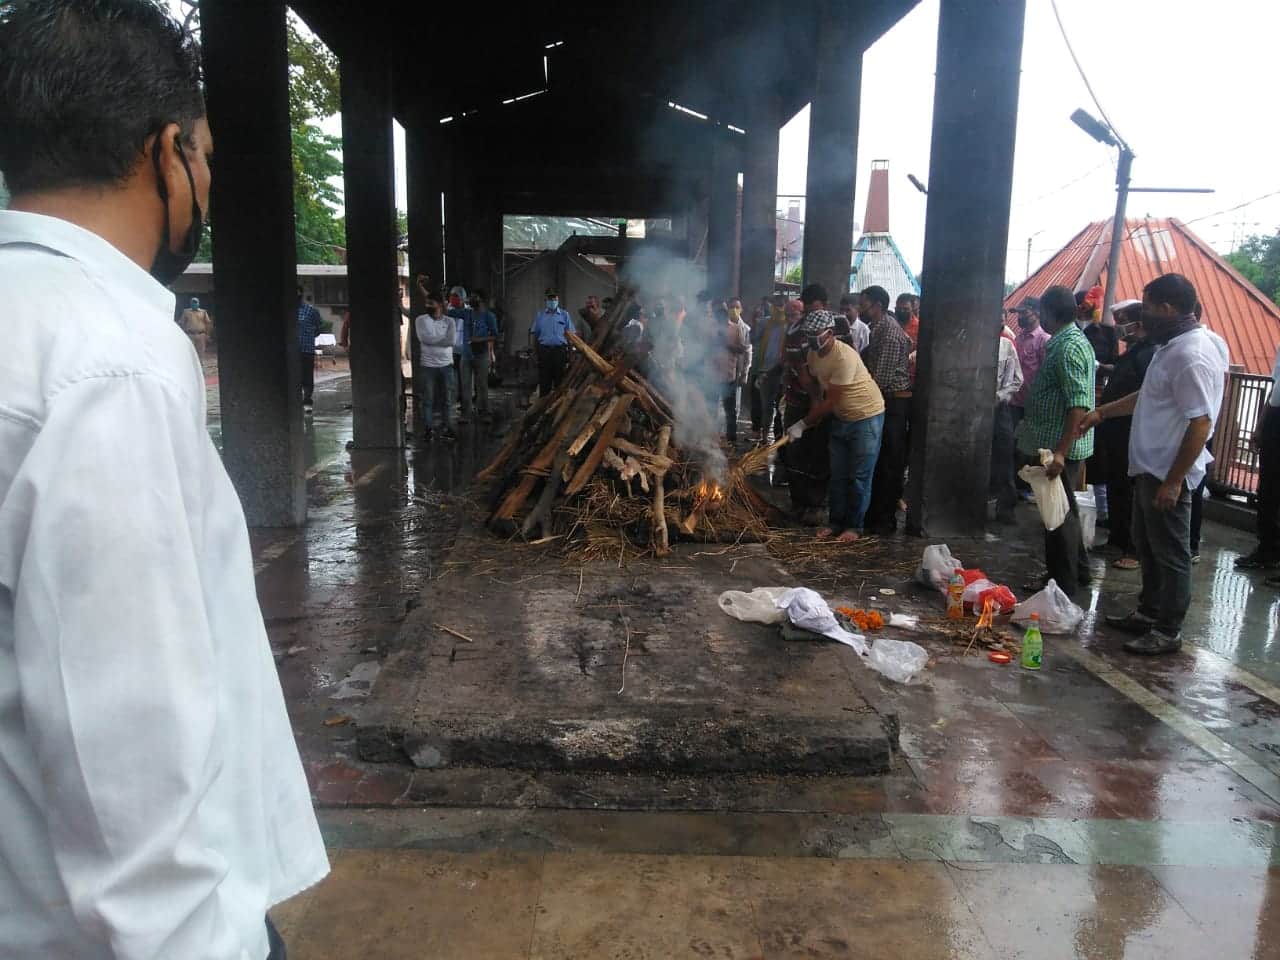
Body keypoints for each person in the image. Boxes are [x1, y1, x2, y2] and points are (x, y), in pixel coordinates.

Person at [0, 3, 328, 958]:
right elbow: (126, 745)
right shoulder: (109, 358)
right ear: (167, 150)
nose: (209, 184)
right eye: (210, 157)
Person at [1081, 274, 1228, 655]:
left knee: (1171, 554)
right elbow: (1147, 396)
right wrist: (1103, 413)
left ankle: (1167, 629)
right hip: (1149, 468)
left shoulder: (1190, 354)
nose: (1142, 315)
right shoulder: (1170, 346)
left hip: (1167, 472)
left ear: (1167, 308)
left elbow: (1201, 422)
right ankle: (1148, 611)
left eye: (1147, 307)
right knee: (1147, 546)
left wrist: (1174, 480)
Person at [1013, 285, 1095, 594]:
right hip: (1054, 442)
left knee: (1055, 516)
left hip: (1056, 448)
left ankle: (1061, 583)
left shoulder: (1067, 346)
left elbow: (1078, 403)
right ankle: (1079, 572)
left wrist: (1060, 453)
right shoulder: (1066, 341)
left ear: (1048, 312)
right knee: (1066, 510)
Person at [787, 311, 885, 542]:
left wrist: (803, 423)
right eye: (808, 333)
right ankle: (835, 522)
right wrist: (814, 402)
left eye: (816, 334)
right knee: (838, 475)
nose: (811, 338)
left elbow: (832, 401)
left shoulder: (844, 357)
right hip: (841, 418)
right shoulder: (813, 354)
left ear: (830, 334)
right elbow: (812, 383)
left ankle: (854, 527)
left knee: (859, 476)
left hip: (866, 418)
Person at [1097, 299, 1157, 571]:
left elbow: (1145, 394)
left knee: (1129, 490)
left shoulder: (1149, 353)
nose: (1120, 329)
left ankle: (1133, 548)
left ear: (1139, 323)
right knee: (1116, 485)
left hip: (1131, 430)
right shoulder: (1132, 351)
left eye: (1124, 322)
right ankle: (1117, 537)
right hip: (1115, 429)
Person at [859, 285, 914, 534]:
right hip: (883, 400)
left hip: (892, 402)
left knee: (889, 462)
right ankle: (875, 514)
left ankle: (884, 519)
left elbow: (879, 378)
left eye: (865, 304)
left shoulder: (889, 333)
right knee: (880, 461)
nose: (862, 309)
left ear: (878, 305)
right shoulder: (878, 329)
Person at [779, 294, 829, 518]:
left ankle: (816, 504)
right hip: (797, 401)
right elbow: (801, 374)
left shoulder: (833, 345)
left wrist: (817, 408)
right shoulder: (793, 334)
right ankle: (798, 502)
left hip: (820, 403)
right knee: (795, 452)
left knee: (817, 454)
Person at [1010, 296, 1049, 498]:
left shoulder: (1043, 340)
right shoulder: (1019, 337)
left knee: (1028, 448)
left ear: (1037, 313)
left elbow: (1044, 374)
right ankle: (1015, 486)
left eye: (1024, 313)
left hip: (1032, 405)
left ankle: (1025, 487)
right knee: (1013, 445)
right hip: (1014, 401)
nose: (1020, 318)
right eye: (1019, 314)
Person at [990, 315, 1024, 523]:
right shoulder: (968, 344)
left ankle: (1006, 509)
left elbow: (1017, 380)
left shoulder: (1006, 346)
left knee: (1004, 456)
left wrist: (999, 397)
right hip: (970, 408)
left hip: (999, 408)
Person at [415, 290, 459, 441]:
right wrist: (442, 339)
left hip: (446, 366)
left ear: (439, 305)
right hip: (427, 366)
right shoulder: (420, 320)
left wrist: (433, 339)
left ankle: (448, 428)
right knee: (428, 400)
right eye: (427, 303)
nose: (428, 306)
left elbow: (451, 341)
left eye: (431, 303)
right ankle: (428, 429)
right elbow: (423, 338)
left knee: (447, 400)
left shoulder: (450, 322)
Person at [750, 296, 788, 442]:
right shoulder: (764, 323)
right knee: (766, 406)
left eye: (781, 305)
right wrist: (754, 322)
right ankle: (765, 436)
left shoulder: (789, 325)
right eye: (776, 305)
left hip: (783, 372)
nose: (779, 308)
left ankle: (779, 438)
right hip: (765, 371)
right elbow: (751, 339)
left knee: (781, 407)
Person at [530, 286, 576, 397]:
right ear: (545, 300)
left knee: (560, 383)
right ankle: (542, 409)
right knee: (544, 382)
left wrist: (571, 355)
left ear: (558, 299)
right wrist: (535, 353)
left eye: (554, 299)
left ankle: (556, 409)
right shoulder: (540, 315)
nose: (552, 301)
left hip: (560, 352)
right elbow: (535, 335)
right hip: (544, 352)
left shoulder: (565, 315)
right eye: (550, 299)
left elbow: (570, 336)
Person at [468, 291, 500, 423]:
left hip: (482, 351)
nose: (471, 299)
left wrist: (480, 341)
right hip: (468, 352)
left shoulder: (488, 316)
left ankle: (485, 411)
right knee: (469, 384)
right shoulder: (468, 314)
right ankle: (472, 410)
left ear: (481, 300)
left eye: (474, 297)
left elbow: (494, 335)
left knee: (482, 384)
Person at [297, 285, 322, 413]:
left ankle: (307, 400)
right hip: (291, 351)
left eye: (298, 294)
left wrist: (308, 336)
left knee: (307, 376)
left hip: (306, 349)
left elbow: (318, 328)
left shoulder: (311, 311)